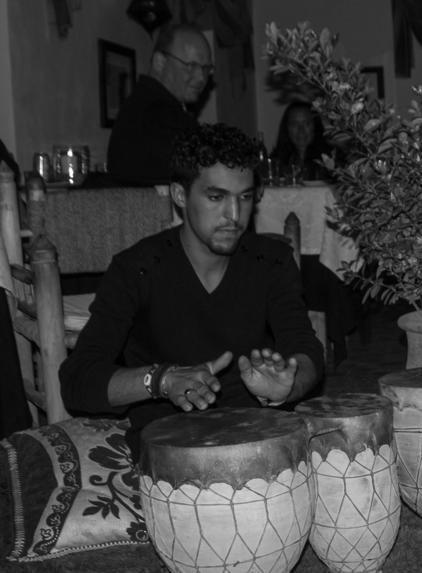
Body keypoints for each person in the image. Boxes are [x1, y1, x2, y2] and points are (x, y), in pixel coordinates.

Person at [61, 123, 324, 458]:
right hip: (169, 449)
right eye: (216, 197)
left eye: (244, 198)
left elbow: (305, 348)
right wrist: (161, 380)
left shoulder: (270, 261)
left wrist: (288, 383)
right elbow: (78, 381)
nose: (234, 215)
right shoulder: (137, 269)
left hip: (256, 439)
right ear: (180, 195)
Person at [106, 23, 212, 185]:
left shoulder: (141, 103)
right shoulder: (159, 113)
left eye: (206, 69)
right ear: (159, 62)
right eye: (190, 66)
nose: (201, 78)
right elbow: (208, 174)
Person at [270, 101, 334, 182]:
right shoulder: (275, 163)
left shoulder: (330, 161)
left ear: (315, 126)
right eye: (294, 124)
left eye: (306, 123)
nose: (301, 130)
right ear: (286, 128)